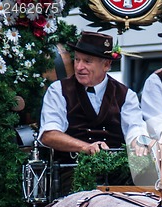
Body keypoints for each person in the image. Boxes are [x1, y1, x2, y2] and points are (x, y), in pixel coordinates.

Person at [39, 31, 148, 196]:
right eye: (77, 59)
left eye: (87, 61)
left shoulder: (127, 95)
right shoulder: (58, 90)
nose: (79, 67)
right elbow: (48, 135)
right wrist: (85, 147)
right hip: (72, 175)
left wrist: (140, 143)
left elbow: (135, 128)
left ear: (106, 65)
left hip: (117, 178)